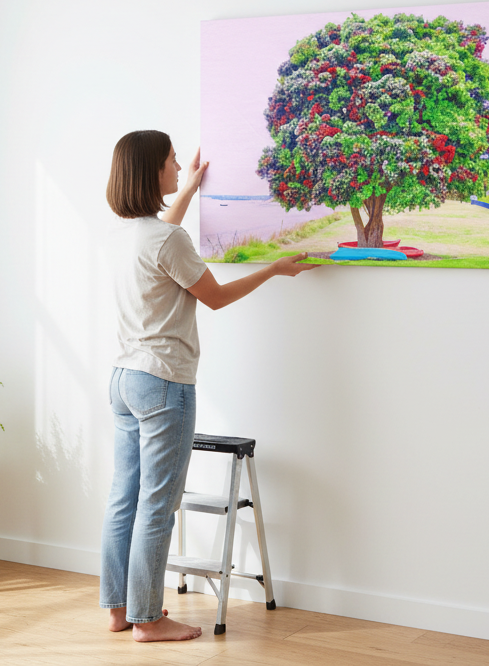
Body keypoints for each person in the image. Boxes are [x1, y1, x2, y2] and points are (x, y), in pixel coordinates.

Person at [101, 130, 317, 642]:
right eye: (173, 161)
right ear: (152, 170)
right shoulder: (167, 240)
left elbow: (165, 238)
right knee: (158, 505)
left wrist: (190, 189)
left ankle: (119, 610)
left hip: (124, 379)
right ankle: (148, 620)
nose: (179, 167)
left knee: (123, 500)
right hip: (163, 383)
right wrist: (273, 270)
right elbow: (215, 297)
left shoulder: (129, 235)